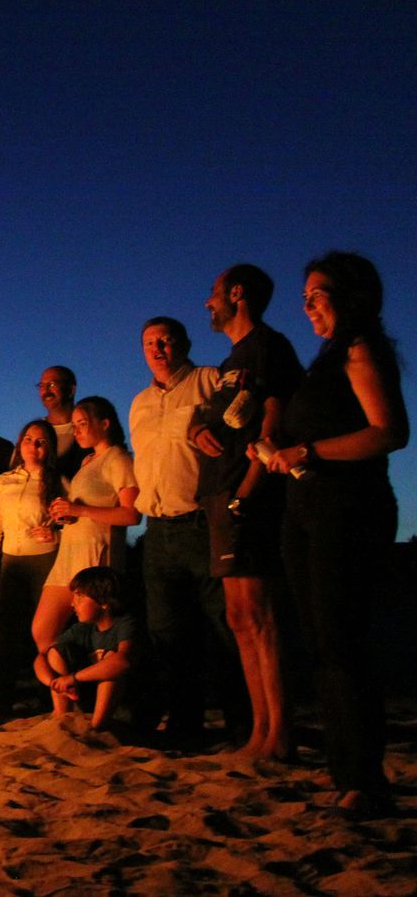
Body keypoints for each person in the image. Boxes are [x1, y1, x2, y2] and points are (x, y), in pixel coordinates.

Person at [257, 251, 407, 817]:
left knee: (344, 642)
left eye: (317, 294)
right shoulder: (324, 360)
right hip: (306, 507)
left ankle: (367, 782)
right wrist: (276, 450)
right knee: (322, 642)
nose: (307, 305)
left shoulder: (359, 349)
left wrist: (310, 450)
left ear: (351, 296)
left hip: (349, 509)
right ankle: (347, 771)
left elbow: (389, 432)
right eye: (305, 296)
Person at [188, 264, 304, 759]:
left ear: (237, 294)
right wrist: (197, 432)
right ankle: (259, 731)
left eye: (213, 294)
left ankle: (279, 733)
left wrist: (246, 494)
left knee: (259, 614)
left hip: (247, 496)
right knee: (238, 615)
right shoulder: (233, 359)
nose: (208, 304)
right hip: (220, 494)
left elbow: (276, 425)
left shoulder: (269, 348)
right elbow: (210, 420)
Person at [130, 315, 243, 744]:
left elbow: (233, 428)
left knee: (223, 625)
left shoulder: (209, 380)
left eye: (165, 340)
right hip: (158, 529)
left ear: (183, 342)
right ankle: (184, 723)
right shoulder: (140, 402)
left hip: (201, 521)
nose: (157, 348)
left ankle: (241, 721)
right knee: (168, 631)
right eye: (149, 342)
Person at [33, 397, 139, 656]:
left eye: (82, 423)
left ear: (104, 424)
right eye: (74, 425)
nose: (76, 430)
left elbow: (132, 514)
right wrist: (65, 516)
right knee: (42, 631)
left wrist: (79, 510)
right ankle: (64, 689)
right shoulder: (88, 462)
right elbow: (84, 509)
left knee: (98, 636)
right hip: (70, 553)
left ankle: (90, 688)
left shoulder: (118, 459)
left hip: (95, 555)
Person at [0, 420, 62, 709]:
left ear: (49, 448)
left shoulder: (56, 481)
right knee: (8, 632)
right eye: (29, 439)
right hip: (12, 562)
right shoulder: (5, 481)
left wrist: (57, 532)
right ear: (20, 443)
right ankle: (4, 697)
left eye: (40, 441)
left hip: (46, 560)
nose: (33, 445)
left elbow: (72, 520)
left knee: (44, 631)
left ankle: (48, 695)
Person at [35, 566, 139, 731]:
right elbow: (41, 657)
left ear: (104, 602)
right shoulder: (85, 628)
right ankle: (62, 718)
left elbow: (122, 662)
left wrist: (73, 678)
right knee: (56, 652)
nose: (72, 603)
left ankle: (97, 728)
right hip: (92, 701)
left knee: (111, 661)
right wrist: (54, 683)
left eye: (80, 597)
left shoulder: (125, 624)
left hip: (133, 707)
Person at [38, 366, 85, 477]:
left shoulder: (88, 429)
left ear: (71, 390)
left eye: (52, 384)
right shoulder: (34, 432)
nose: (46, 390)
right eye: (41, 386)